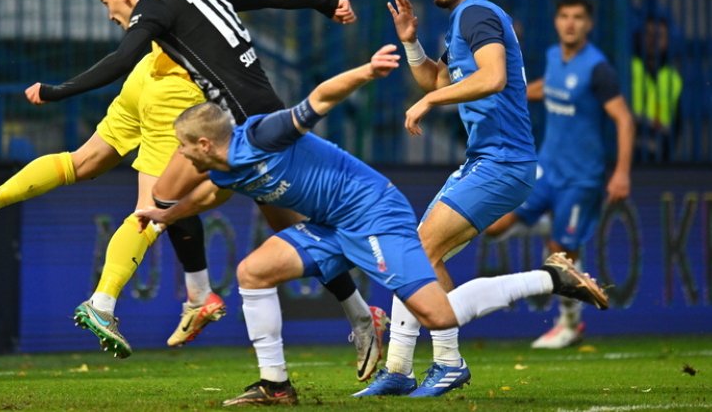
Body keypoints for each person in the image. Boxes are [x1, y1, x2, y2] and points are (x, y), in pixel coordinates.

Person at [0, 0, 381, 360]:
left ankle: (177, 295)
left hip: (165, 81)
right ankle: (164, 298)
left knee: (124, 183)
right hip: (173, 87)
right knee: (164, 204)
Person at [134, 45, 609, 407]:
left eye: (182, 147)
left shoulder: (260, 134)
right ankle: (275, 385)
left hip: (372, 212)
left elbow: (317, 99)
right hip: (330, 224)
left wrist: (365, 71)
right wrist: (164, 215)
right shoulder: (221, 166)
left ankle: (550, 277)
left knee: (438, 316)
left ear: (201, 142)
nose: (179, 155)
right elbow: (210, 195)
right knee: (252, 272)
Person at [22, 0, 386, 379]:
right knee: (187, 202)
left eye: (107, 3)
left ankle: (173, 304)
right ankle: (344, 313)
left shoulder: (153, 8)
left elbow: (121, 60)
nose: (111, 15)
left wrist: (55, 91)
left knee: (178, 204)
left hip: (245, 134)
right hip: (257, 117)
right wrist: (324, 4)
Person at [355, 0, 537, 398]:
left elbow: (492, 78)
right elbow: (437, 78)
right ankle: (399, 367)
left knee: (419, 253)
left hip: (504, 160)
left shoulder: (477, 13)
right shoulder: (462, 22)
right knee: (413, 253)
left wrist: (432, 100)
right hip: (489, 159)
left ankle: (447, 362)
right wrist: (411, 42)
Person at [484, 0, 635, 349]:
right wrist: (508, 93)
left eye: (578, 17)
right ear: (556, 21)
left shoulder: (598, 69)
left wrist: (622, 173)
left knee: (560, 254)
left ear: (589, 24)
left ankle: (569, 325)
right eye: (564, 16)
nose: (570, 23)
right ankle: (553, 222)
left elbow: (624, 119)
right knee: (492, 226)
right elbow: (547, 88)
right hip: (546, 171)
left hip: (580, 179)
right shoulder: (554, 57)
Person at [631, 16, 682, 162]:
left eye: (659, 36)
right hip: (631, 144)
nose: (653, 41)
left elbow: (678, 120)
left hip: (660, 149)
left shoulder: (674, 77)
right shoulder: (629, 67)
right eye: (649, 35)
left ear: (667, 41)